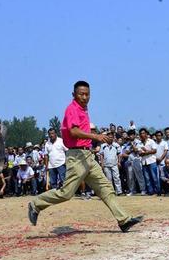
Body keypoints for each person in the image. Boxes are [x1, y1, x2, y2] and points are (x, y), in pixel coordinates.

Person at [27, 81, 143, 232]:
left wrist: (96, 137)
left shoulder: (83, 109)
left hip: (87, 154)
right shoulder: (72, 109)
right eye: (81, 94)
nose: (84, 97)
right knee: (66, 193)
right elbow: (74, 131)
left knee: (105, 188)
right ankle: (35, 204)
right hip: (77, 156)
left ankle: (124, 220)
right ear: (73, 95)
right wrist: (96, 136)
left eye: (87, 94)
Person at [138, 128, 160, 196]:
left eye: (143, 133)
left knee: (154, 177)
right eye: (141, 133)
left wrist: (146, 151)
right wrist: (147, 152)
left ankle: (157, 192)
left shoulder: (151, 141)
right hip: (144, 162)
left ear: (147, 134)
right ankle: (151, 192)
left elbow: (154, 150)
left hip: (152, 161)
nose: (142, 135)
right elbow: (139, 153)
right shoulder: (139, 143)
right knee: (147, 178)